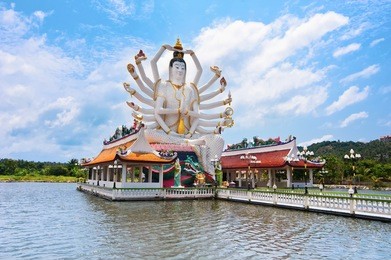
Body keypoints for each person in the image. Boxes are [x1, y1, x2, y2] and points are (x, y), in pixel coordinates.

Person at [124, 39, 233, 174]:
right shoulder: (164, 86)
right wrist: (163, 47)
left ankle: (208, 169)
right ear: (170, 69)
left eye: (183, 68)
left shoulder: (190, 89)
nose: (180, 71)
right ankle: (191, 145)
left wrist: (189, 122)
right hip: (165, 134)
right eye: (177, 67)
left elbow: (197, 116)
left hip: (189, 135)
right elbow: (158, 112)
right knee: (147, 133)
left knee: (218, 140)